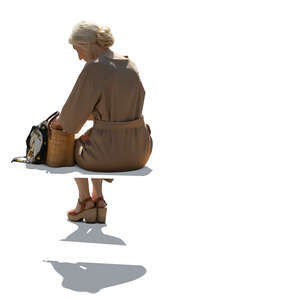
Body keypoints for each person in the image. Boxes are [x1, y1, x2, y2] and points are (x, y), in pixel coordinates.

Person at [50, 21, 152, 223]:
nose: (79, 57)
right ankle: (99, 200)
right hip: (140, 151)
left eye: (77, 50)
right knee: (92, 137)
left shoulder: (94, 69)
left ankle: (84, 201)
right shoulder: (130, 65)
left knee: (74, 144)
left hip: (106, 156)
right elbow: (115, 112)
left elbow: (69, 121)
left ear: (86, 44)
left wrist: (54, 123)